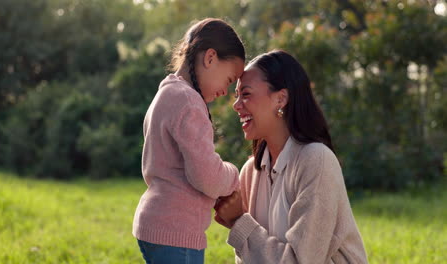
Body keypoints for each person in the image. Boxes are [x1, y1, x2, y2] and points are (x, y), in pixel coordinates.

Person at [214, 50, 368, 264]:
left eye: (246, 94)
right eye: (236, 95)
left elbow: (302, 261)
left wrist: (240, 221)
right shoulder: (250, 172)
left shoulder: (316, 160)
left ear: (281, 98)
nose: (236, 105)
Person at [132, 18, 246, 264]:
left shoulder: (167, 93)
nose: (225, 92)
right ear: (210, 58)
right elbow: (206, 176)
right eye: (228, 80)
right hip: (176, 231)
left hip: (156, 223)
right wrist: (234, 175)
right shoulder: (189, 102)